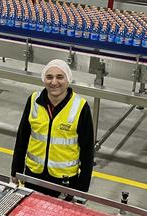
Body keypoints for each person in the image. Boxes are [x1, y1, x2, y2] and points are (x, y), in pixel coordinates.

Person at [11, 59, 94, 197]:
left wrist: (82, 189)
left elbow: (87, 151)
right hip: (33, 176)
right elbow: (22, 139)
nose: (54, 82)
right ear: (44, 79)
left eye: (60, 77)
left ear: (68, 80)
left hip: (64, 182)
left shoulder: (80, 107)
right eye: (49, 77)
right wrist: (16, 171)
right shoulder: (33, 100)